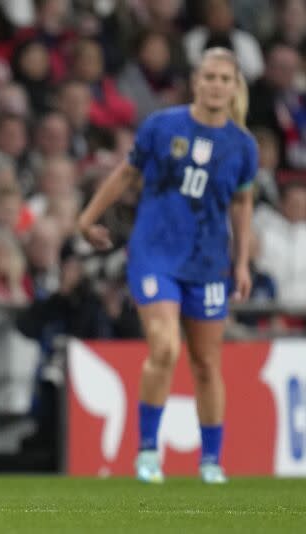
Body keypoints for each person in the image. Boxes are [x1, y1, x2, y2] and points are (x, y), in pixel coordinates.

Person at [77, 48, 256, 484]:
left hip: (208, 261)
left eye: (224, 79)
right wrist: (87, 217)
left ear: (234, 87)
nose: (216, 85)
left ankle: (211, 461)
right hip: (154, 254)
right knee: (164, 347)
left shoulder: (243, 146)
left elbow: (243, 205)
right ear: (196, 81)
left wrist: (243, 263)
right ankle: (147, 454)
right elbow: (124, 174)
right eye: (209, 76)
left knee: (206, 363)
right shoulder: (162, 127)